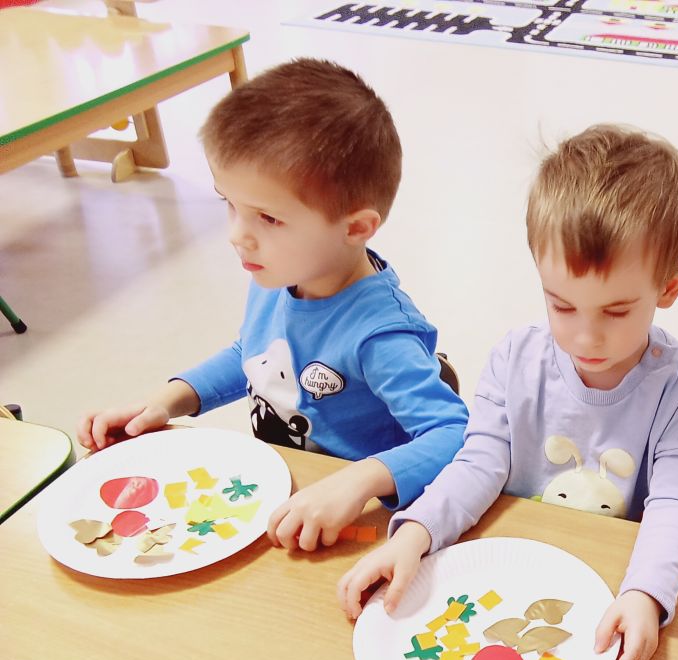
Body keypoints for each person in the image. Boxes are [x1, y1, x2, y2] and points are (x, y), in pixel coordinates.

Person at [338, 124, 678, 660]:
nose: (586, 337)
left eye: (615, 312)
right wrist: (415, 534)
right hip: (508, 579)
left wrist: (645, 594)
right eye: (561, 305)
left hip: (606, 588)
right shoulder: (517, 359)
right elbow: (479, 463)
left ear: (670, 287)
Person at [77, 59, 468, 551]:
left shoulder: (381, 335)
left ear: (355, 228)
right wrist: (167, 400)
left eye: (268, 218)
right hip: (285, 494)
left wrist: (360, 480)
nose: (237, 236)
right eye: (229, 204)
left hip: (356, 525)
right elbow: (252, 351)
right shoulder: (278, 274)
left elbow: (453, 435)